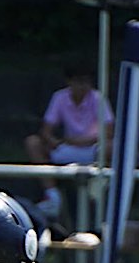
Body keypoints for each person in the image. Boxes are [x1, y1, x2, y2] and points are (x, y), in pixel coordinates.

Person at [23, 63, 113, 220]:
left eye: (86, 81)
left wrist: (82, 141)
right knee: (33, 142)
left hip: (93, 149)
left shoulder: (99, 98)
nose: (83, 86)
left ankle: (98, 190)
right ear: (69, 82)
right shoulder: (59, 97)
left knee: (112, 147)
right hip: (66, 148)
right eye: (79, 81)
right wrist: (53, 141)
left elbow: (109, 131)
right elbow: (46, 131)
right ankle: (53, 196)